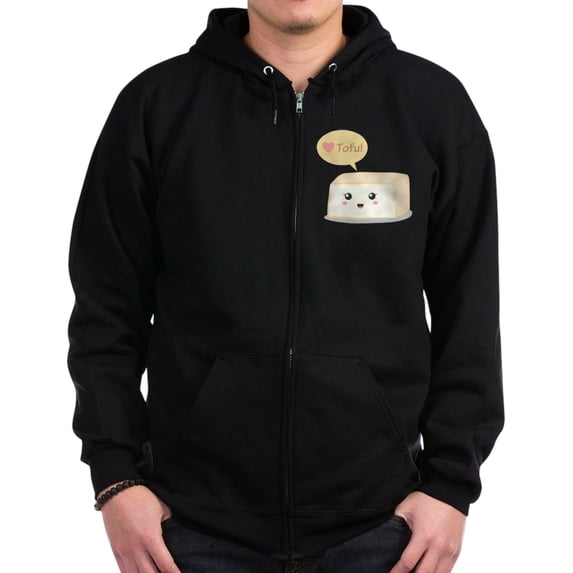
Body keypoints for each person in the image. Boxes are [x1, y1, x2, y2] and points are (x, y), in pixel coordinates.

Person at [67, 1, 504, 572]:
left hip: (383, 529)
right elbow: (106, 309)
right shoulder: (157, 104)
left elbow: (469, 310)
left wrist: (450, 485)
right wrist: (116, 480)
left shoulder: (432, 104)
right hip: (188, 529)